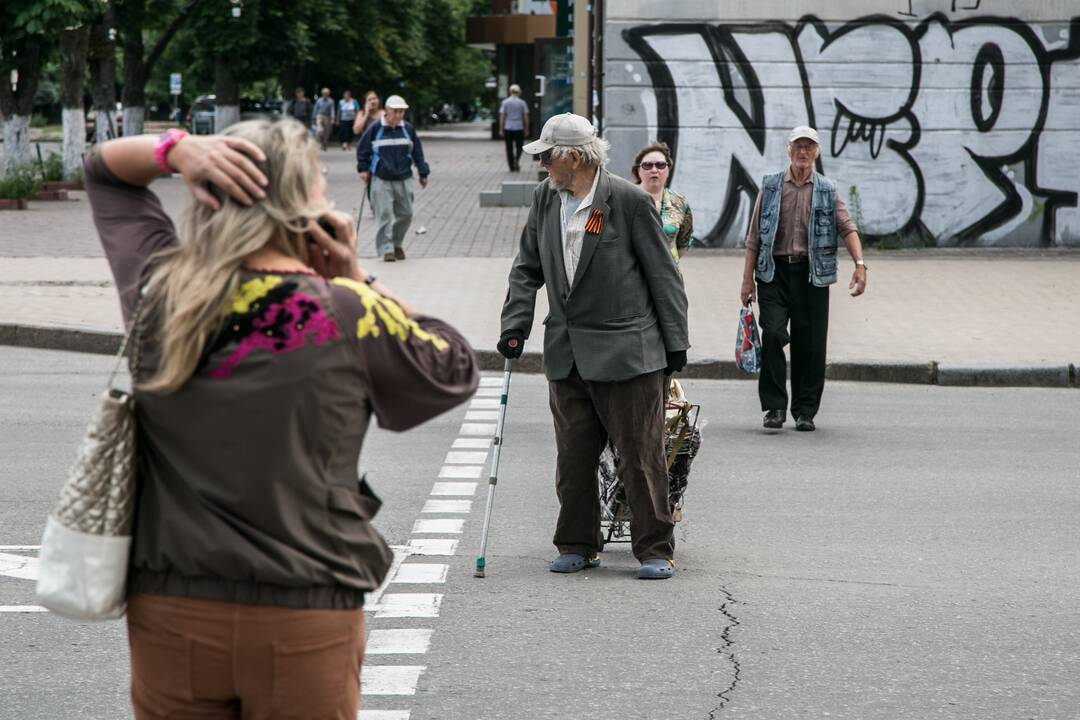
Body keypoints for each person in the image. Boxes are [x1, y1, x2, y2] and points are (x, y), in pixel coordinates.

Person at [83, 119, 478, 719]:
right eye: (322, 181)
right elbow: (450, 367)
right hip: (306, 608)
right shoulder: (347, 309)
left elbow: (105, 174)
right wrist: (356, 277)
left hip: (172, 607)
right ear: (303, 204)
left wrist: (175, 149)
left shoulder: (163, 292)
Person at [498, 113, 689, 580]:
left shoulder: (626, 200)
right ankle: (579, 543)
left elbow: (663, 275)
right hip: (567, 351)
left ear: (574, 157)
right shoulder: (546, 199)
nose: (541, 164)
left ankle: (654, 548)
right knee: (574, 458)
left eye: (547, 155)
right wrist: (515, 323)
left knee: (640, 457)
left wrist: (675, 346)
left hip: (628, 352)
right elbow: (527, 268)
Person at [739, 125, 868, 432]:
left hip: (812, 276)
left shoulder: (826, 188)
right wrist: (747, 282)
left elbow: (847, 227)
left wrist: (860, 265)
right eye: (798, 145)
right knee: (771, 334)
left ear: (817, 152)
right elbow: (754, 238)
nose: (803, 152)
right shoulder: (771, 186)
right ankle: (774, 407)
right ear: (789, 149)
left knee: (810, 346)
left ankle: (805, 411)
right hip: (774, 273)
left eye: (809, 146)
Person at [356, 94, 429, 263]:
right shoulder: (376, 128)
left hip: (404, 177)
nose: (399, 115)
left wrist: (423, 173)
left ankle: (397, 243)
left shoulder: (408, 129)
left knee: (406, 214)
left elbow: (417, 151)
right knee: (385, 214)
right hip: (381, 178)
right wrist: (363, 169)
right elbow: (363, 149)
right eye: (396, 111)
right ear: (387, 111)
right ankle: (387, 248)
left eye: (402, 112)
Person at [631, 142, 693, 266]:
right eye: (647, 165)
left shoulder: (679, 202)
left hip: (668, 275)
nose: (654, 170)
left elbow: (684, 241)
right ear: (638, 170)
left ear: (668, 170)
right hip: (633, 277)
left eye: (660, 165)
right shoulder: (625, 197)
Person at [499, 84, 529, 172]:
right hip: (519, 127)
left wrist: (501, 128)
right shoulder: (522, 103)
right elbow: (525, 116)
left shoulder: (505, 102)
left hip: (508, 127)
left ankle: (511, 166)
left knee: (509, 147)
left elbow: (502, 116)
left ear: (510, 91)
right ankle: (517, 159)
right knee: (519, 146)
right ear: (519, 92)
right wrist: (526, 128)